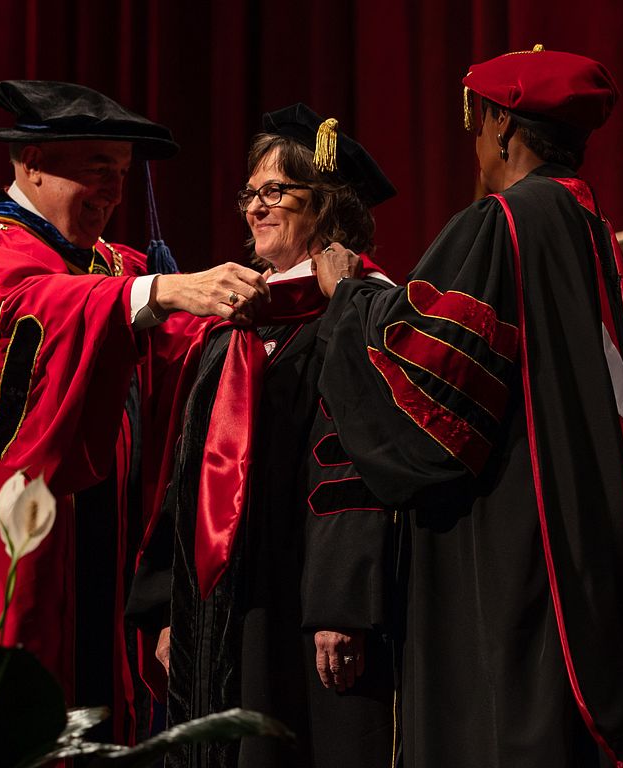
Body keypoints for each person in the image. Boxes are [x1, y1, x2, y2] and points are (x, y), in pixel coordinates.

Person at [0, 80, 269, 740]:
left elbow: (180, 347)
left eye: (120, 175)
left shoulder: (108, 264)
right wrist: (163, 289)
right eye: (96, 171)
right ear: (32, 164)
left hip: (92, 555)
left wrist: (279, 309)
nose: (113, 193)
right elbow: (43, 311)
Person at [311, 47, 623, 766]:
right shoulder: (591, 227)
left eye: (478, 127)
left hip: (509, 552)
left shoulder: (502, 223)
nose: (476, 149)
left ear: (501, 125)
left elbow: (423, 396)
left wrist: (348, 297)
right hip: (588, 554)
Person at [128, 104, 399, 767]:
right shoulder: (234, 329)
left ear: (325, 201)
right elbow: (188, 472)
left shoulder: (362, 312)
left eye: (273, 191)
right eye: (249, 193)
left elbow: (356, 470)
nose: (253, 208)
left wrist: (343, 607)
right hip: (224, 610)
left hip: (308, 608)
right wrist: (171, 605)